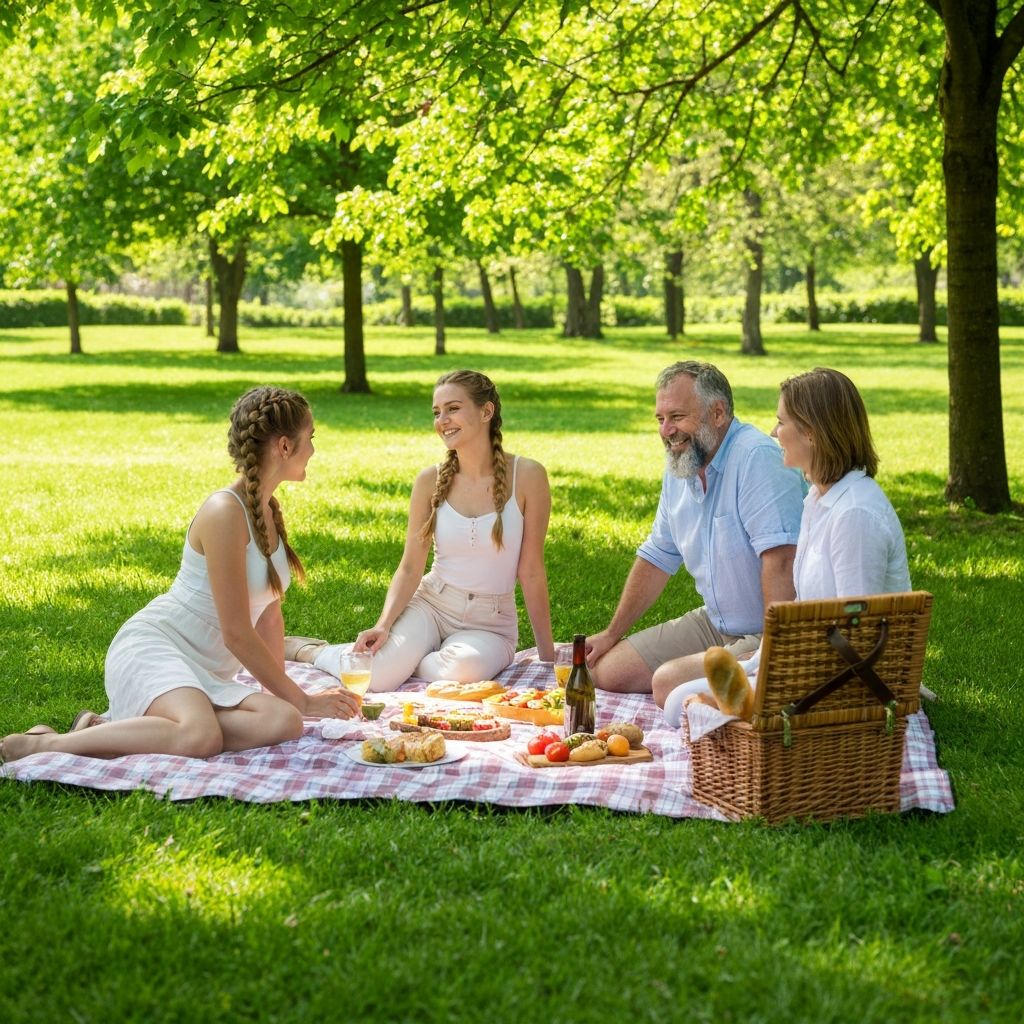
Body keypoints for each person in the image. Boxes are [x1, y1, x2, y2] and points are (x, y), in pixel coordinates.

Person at [1, 387, 359, 766]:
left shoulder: (268, 510)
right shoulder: (225, 510)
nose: (314, 450)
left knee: (285, 721)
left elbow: (269, 616)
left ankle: (108, 727)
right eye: (311, 439)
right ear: (285, 447)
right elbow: (237, 631)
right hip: (156, 648)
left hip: (205, 672)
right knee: (200, 736)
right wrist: (303, 698)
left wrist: (287, 698)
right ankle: (42, 744)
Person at [660, 367, 912, 725]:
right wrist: (762, 659)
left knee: (683, 704)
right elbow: (803, 605)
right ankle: (748, 707)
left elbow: (860, 633)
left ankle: (752, 711)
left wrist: (782, 673)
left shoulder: (855, 512)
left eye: (782, 422)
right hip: (808, 662)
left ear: (811, 432)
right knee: (677, 702)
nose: (774, 433)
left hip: (844, 682)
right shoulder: (817, 499)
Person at [285, 369, 555, 689]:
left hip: (490, 624)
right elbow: (411, 565)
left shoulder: (527, 476)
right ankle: (312, 651)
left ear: (486, 411)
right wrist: (383, 625)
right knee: (378, 677)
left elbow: (532, 570)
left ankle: (411, 659)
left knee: (462, 672)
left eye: (453, 409)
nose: (442, 420)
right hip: (432, 605)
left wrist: (548, 656)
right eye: (437, 412)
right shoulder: (430, 480)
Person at [587, 360, 804, 696]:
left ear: (718, 413)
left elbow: (782, 562)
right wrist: (611, 632)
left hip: (770, 632)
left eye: (676, 417)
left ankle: (753, 666)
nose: (666, 431)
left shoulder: (757, 458)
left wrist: (773, 650)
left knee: (667, 685)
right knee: (609, 671)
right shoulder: (682, 464)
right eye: (660, 419)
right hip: (717, 624)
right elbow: (658, 555)